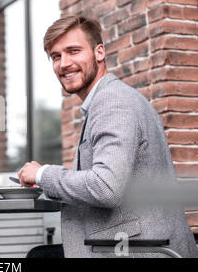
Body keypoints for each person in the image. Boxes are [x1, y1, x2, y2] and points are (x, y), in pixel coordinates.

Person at [17, 15, 197, 258]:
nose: (64, 63)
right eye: (56, 56)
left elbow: (106, 187)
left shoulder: (113, 102)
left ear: (99, 52)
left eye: (73, 51)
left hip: (141, 250)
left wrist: (43, 173)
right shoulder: (108, 100)